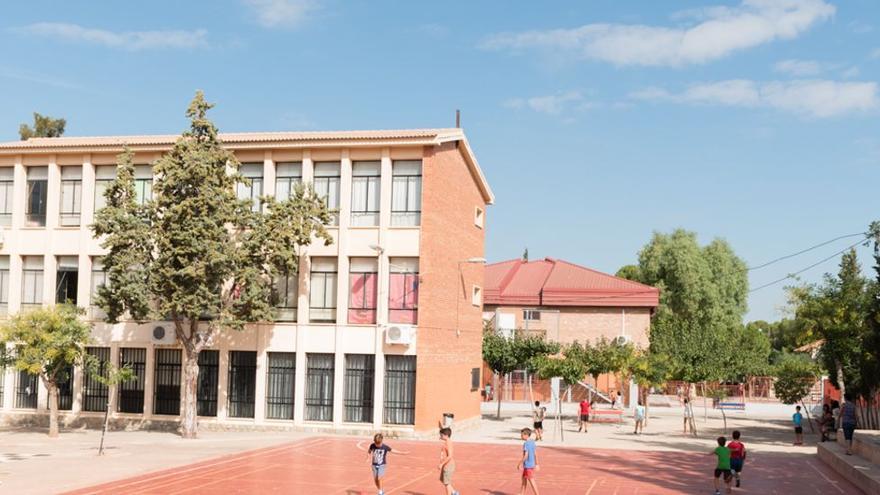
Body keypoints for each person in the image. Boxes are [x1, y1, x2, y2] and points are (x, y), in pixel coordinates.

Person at [517, 427, 540, 495]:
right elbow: (535, 453)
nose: (521, 436)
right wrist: (537, 464)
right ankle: (522, 493)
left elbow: (526, 455)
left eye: (522, 435)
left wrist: (519, 463)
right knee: (524, 478)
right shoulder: (532, 442)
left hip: (528, 465)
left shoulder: (526, 444)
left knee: (531, 480)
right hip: (530, 464)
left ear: (526, 435)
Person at [438, 427, 459, 495]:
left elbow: (450, 456)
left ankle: (452, 493)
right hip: (446, 465)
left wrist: (441, 464)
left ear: (446, 435)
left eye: (441, 435)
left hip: (448, 465)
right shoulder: (447, 441)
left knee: (446, 483)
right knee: (445, 482)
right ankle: (454, 493)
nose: (440, 436)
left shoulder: (448, 443)